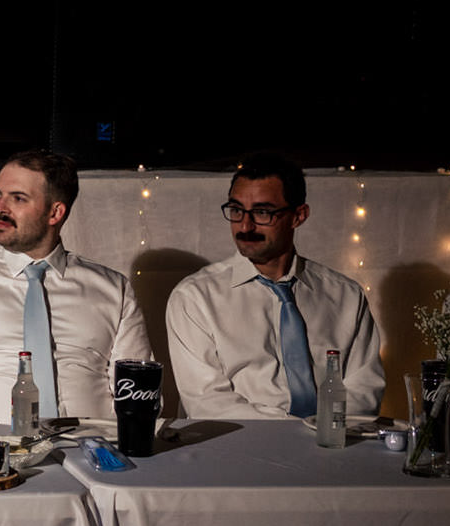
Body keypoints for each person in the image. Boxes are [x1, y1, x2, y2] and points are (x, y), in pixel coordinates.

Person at [0, 150, 153, 424]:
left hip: (94, 448)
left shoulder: (113, 288)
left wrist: (107, 444)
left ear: (55, 212)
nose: (0, 208)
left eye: (17, 198)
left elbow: (138, 389)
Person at [164, 154, 383, 421]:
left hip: (332, 444)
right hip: (238, 448)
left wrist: (324, 432)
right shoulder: (195, 298)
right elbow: (208, 403)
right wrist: (298, 431)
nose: (245, 226)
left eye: (262, 212)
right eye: (236, 210)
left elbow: (365, 390)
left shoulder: (345, 296)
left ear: (298, 216)